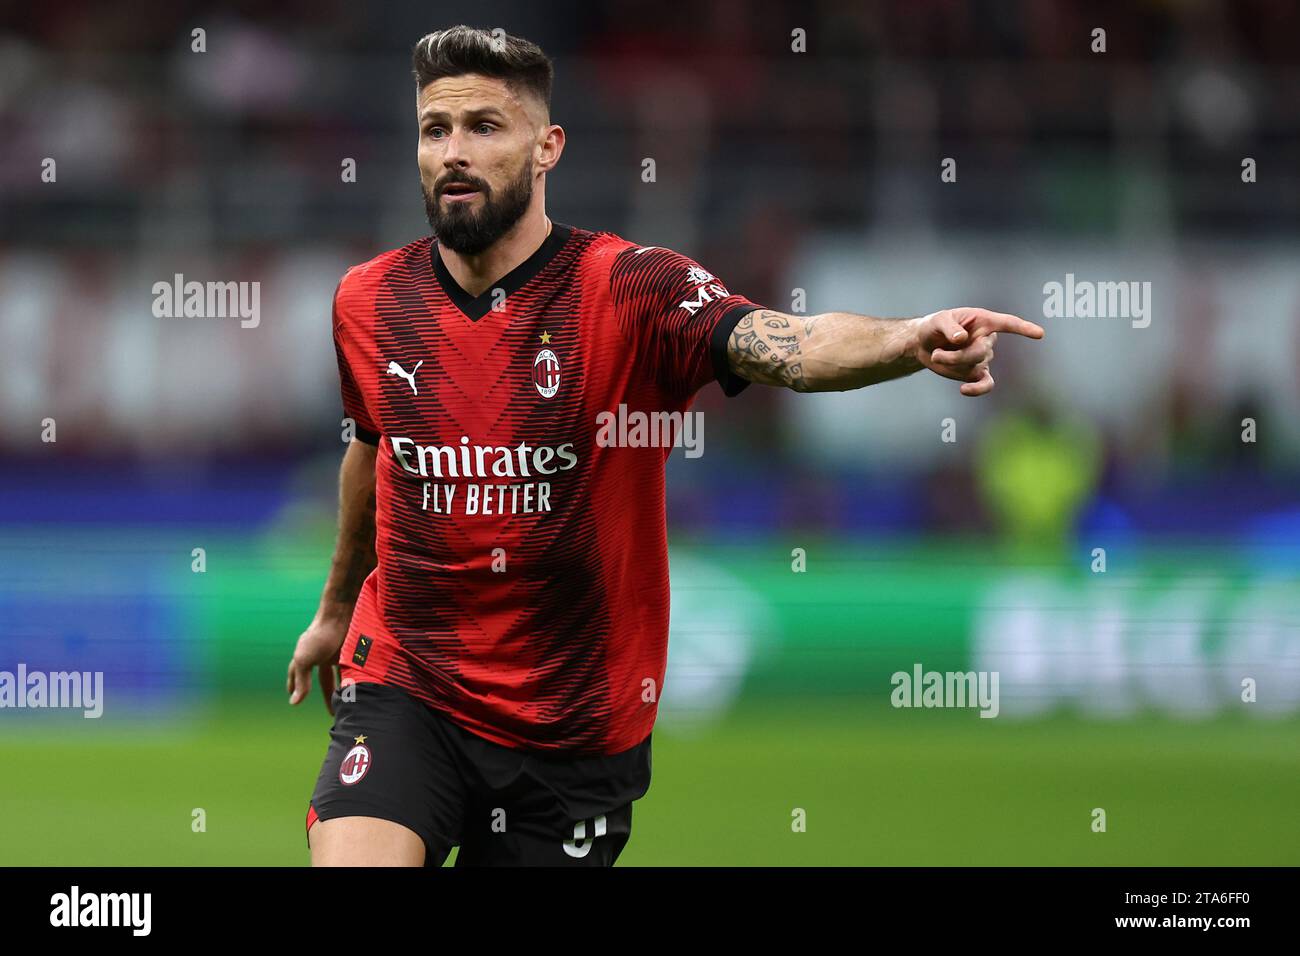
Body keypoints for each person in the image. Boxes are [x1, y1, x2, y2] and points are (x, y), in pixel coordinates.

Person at [287, 24, 1045, 867]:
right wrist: (332, 609)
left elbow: (783, 344)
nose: (454, 152)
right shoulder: (368, 300)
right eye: (436, 130)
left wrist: (908, 340)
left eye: (485, 127)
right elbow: (372, 453)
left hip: (573, 729)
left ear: (548, 148)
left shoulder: (630, 289)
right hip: (407, 686)